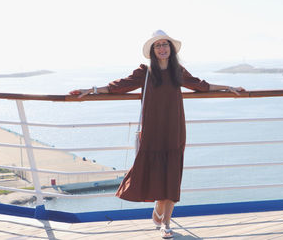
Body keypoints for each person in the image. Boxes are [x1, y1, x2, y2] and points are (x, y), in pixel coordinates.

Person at [70, 30, 244, 239]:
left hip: (174, 129)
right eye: (158, 45)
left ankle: (165, 223)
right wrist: (91, 90)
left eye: (165, 44)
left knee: (172, 174)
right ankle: (158, 210)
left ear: (171, 48)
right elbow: (118, 87)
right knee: (155, 173)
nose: (162, 48)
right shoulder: (145, 72)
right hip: (152, 131)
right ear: (153, 51)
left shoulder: (177, 71)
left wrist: (229, 87)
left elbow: (201, 85)